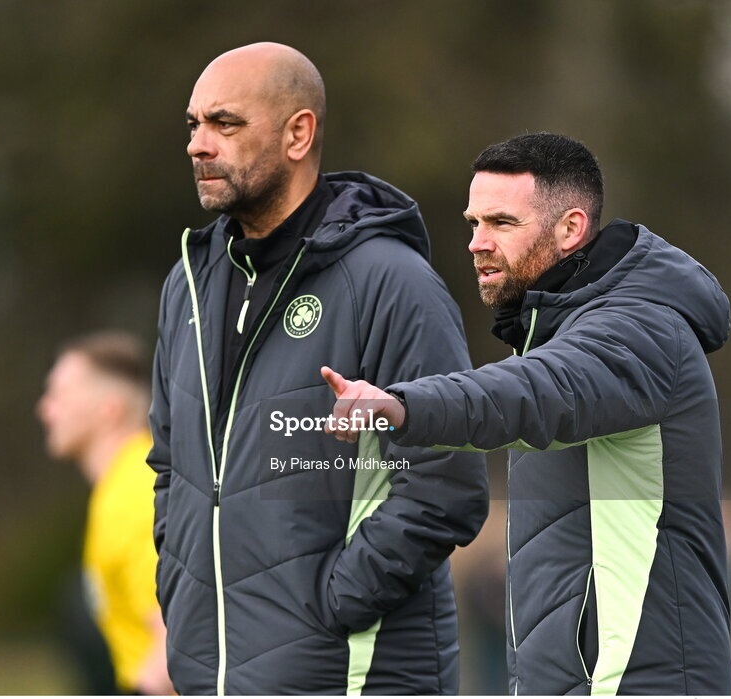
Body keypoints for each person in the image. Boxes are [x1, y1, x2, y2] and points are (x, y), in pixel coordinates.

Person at [322, 133, 731, 695]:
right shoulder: (554, 332)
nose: (476, 242)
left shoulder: (640, 328)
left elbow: (537, 393)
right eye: (473, 223)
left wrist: (401, 404)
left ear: (570, 228)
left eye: (501, 223)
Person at [148, 42, 488, 694]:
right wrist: (182, 587)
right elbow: (172, 466)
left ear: (298, 133)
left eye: (225, 123)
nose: (198, 144)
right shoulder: (185, 285)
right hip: (210, 674)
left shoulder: (391, 282)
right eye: (193, 124)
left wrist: (332, 602)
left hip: (351, 675)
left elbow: (447, 482)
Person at [37, 331, 173, 695]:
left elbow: (176, 644)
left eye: (59, 394)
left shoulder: (135, 493)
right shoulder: (120, 488)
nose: (45, 409)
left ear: (109, 408)